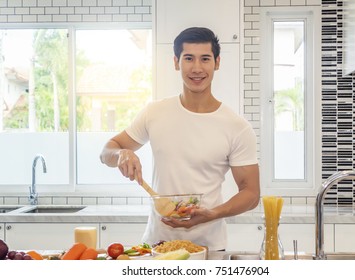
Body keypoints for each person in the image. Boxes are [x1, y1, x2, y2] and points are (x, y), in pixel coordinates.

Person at [100, 27, 260, 251]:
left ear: (217, 62)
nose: (197, 68)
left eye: (205, 59)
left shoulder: (237, 127)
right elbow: (106, 151)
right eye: (188, 59)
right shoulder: (154, 112)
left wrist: (212, 214)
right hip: (157, 245)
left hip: (209, 248)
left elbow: (251, 193)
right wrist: (121, 153)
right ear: (176, 62)